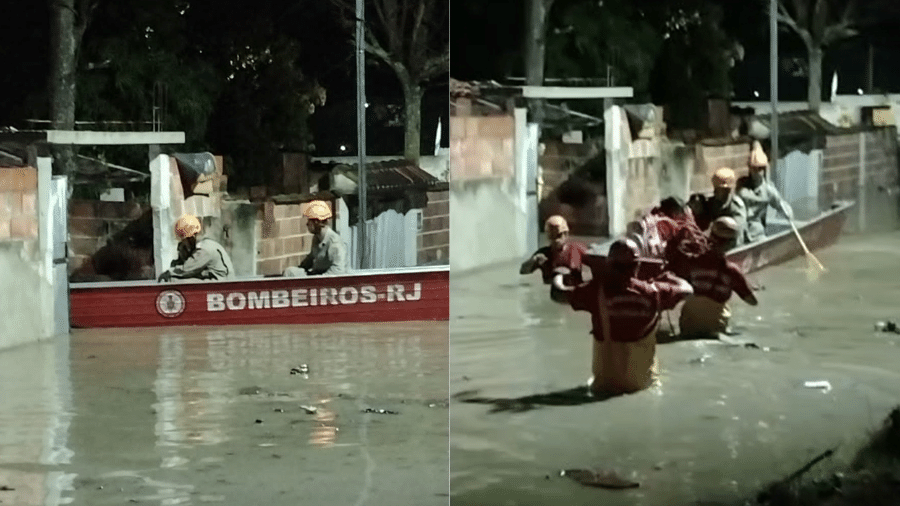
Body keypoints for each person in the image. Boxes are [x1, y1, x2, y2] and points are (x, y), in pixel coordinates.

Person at [550, 238, 694, 396]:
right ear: (637, 266)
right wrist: (667, 275)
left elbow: (558, 294)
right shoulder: (654, 293)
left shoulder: (595, 291)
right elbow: (687, 289)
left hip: (602, 387)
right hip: (642, 389)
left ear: (609, 265)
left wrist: (559, 274)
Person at [676, 216, 758, 339]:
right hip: (716, 329)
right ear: (732, 243)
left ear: (710, 237)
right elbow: (752, 302)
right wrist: (747, 285)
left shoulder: (692, 261)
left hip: (688, 326)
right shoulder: (732, 271)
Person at [736, 141, 793, 244]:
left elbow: (780, 204)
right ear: (750, 168)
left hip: (756, 232)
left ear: (764, 169)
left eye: (760, 169)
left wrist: (787, 212)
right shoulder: (741, 185)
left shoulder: (768, 190)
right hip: (739, 230)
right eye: (754, 169)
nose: (757, 172)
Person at [158, 214, 235, 282]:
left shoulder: (204, 249)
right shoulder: (207, 244)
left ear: (190, 237)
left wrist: (169, 272)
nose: (183, 243)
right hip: (219, 281)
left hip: (221, 283)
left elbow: (186, 269)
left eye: (183, 240)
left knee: (173, 280)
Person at [284, 200, 349, 277]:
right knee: (289, 272)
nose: (307, 224)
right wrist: (301, 268)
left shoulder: (335, 243)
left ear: (317, 222)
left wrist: (316, 280)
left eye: (309, 220)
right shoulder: (317, 237)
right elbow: (311, 258)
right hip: (316, 275)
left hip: (326, 282)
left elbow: (338, 271)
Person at [520, 215, 588, 284]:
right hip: (550, 291)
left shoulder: (578, 249)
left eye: (559, 235)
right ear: (548, 236)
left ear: (566, 234)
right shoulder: (543, 254)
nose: (556, 240)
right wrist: (532, 261)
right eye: (553, 236)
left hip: (574, 289)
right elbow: (523, 271)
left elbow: (594, 263)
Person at [691, 167, 748, 249]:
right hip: (716, 246)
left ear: (727, 190)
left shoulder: (736, 206)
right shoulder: (714, 202)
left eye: (718, 189)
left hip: (733, 248)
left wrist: (716, 226)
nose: (714, 192)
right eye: (715, 188)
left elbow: (735, 229)